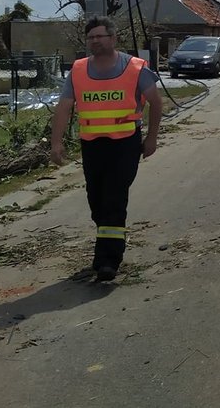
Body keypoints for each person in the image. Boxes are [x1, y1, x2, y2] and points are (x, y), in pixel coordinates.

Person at [50, 16, 162, 282]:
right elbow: (64, 107)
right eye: (91, 37)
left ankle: (107, 262)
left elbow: (156, 104)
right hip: (92, 145)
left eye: (100, 36)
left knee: (113, 197)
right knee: (97, 201)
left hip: (124, 143)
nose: (95, 41)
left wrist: (151, 138)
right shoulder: (77, 70)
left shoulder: (135, 68)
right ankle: (109, 243)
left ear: (113, 38)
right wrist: (56, 144)